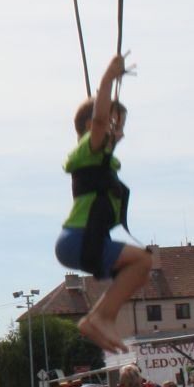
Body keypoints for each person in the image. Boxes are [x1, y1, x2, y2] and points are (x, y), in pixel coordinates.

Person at [52, 53, 147, 353]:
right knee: (142, 261)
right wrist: (108, 78)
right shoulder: (89, 149)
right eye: (116, 125)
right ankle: (100, 317)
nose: (120, 132)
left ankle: (101, 317)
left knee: (139, 264)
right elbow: (100, 119)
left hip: (84, 240)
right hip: (78, 239)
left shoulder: (100, 161)